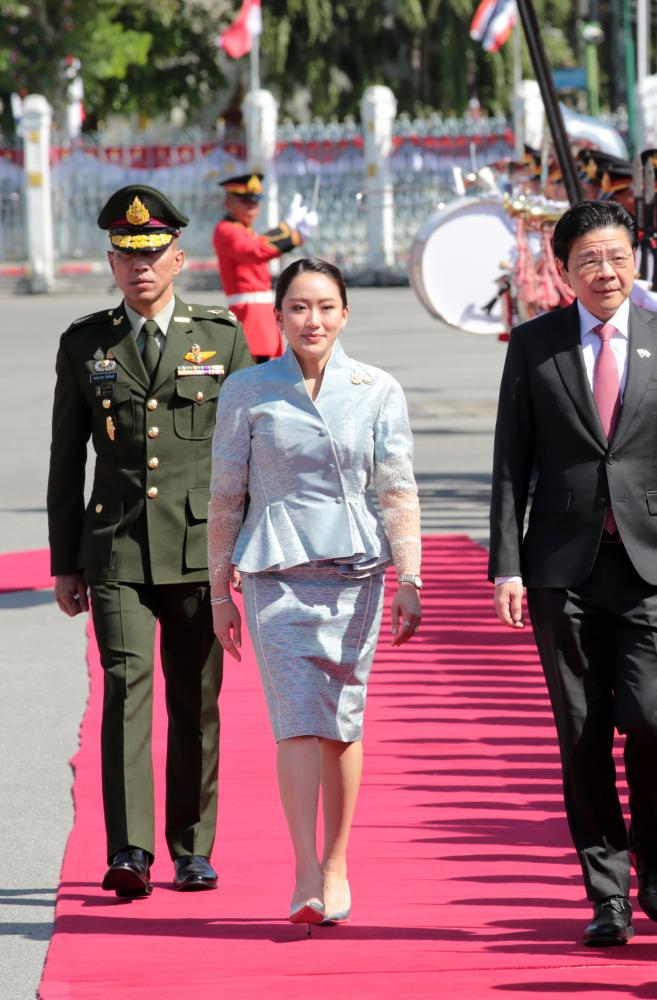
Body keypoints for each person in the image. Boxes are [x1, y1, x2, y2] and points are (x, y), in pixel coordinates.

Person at [489, 200, 657, 947]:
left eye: (618, 256)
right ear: (562, 270)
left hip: (655, 563)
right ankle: (607, 892)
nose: (606, 271)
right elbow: (509, 467)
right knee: (583, 732)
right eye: (589, 259)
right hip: (562, 567)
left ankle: (655, 850)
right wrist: (507, 566)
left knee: (651, 721)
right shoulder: (534, 346)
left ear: (637, 262)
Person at [48, 184, 252, 898]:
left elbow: (249, 450)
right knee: (126, 690)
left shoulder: (221, 338)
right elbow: (65, 458)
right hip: (116, 547)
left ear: (177, 258)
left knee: (196, 700)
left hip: (200, 549)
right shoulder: (86, 343)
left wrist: (248, 552)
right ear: (110, 259)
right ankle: (130, 851)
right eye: (127, 256)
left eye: (153, 254)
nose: (140, 268)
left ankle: (192, 848)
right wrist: (65, 561)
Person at [206, 257, 422, 926]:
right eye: (299, 307)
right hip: (275, 572)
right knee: (295, 720)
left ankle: (336, 863)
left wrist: (410, 578)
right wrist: (219, 590)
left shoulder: (376, 387)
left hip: (355, 572)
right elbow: (225, 494)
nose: (313, 320)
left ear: (345, 313)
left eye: (325, 306)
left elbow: (396, 488)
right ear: (279, 315)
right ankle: (303, 870)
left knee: (341, 720)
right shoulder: (247, 389)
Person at [212, 172, 318, 362]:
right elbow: (255, 250)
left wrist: (287, 226)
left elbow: (261, 241)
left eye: (255, 202)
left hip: (260, 313)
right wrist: (296, 237)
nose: (252, 207)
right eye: (245, 201)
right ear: (228, 202)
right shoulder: (226, 230)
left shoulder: (241, 229)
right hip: (249, 314)